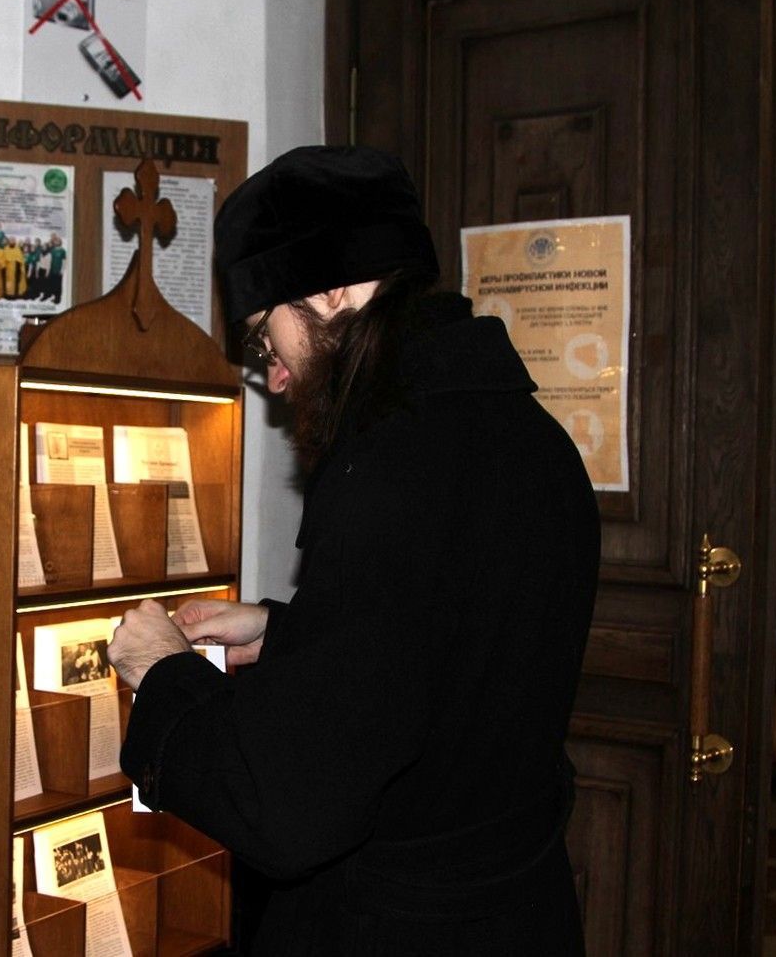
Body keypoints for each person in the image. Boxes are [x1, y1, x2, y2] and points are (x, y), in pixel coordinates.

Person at [109, 146, 600, 954]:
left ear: (329, 290)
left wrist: (163, 674)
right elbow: (449, 657)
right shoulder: (529, 434)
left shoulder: (391, 464)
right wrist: (285, 633)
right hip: (519, 915)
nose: (274, 378)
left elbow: (286, 807)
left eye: (266, 340)